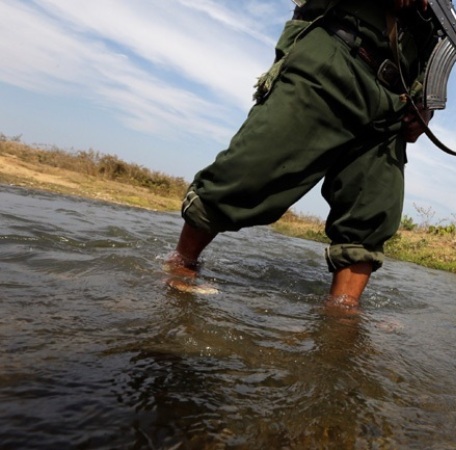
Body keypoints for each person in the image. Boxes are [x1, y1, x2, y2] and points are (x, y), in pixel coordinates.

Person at [165, 0, 437, 309]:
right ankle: (181, 264)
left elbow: (435, 50)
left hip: (395, 101)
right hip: (335, 54)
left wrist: (426, 103)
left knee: (371, 212)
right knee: (251, 169)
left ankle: (342, 313)